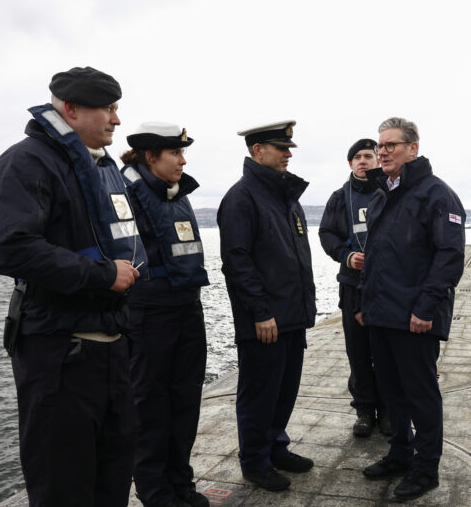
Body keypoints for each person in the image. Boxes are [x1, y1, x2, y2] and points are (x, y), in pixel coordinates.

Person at [0, 66, 147, 506]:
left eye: (118, 109)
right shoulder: (26, 161)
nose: (116, 120)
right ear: (71, 109)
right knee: (64, 486)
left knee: (114, 476)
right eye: (108, 109)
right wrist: (104, 275)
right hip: (61, 354)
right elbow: (12, 249)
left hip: (111, 348)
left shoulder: (101, 168)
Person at [358, 117, 466, 500]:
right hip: (383, 314)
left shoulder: (437, 194)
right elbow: (379, 257)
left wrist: (425, 309)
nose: (383, 151)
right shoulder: (382, 193)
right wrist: (365, 305)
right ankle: (401, 452)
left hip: (414, 317)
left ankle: (426, 468)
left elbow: (450, 257)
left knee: (421, 394)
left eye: (391, 145)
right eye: (380, 145)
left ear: (413, 149)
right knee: (391, 391)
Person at [218, 120, 316, 492]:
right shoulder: (242, 197)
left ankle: (276, 446)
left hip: (292, 315)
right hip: (266, 320)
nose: (288, 154)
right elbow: (237, 260)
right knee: (259, 392)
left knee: (284, 389)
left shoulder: (285, 197)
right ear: (258, 151)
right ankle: (255, 461)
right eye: (281, 148)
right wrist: (260, 311)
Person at [120, 123, 210, 507]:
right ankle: (156, 493)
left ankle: (180, 482)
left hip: (186, 307)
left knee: (185, 404)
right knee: (150, 407)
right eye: (176, 153)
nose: (183, 161)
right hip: (148, 314)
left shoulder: (176, 193)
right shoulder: (127, 192)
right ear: (151, 156)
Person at [319, 138, 390, 438]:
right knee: (358, 352)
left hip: (386, 287)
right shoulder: (339, 197)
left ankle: (388, 411)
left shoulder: (389, 192)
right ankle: (364, 410)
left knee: (386, 352)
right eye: (357, 157)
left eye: (368, 156)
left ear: (377, 161)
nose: (363, 161)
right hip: (352, 285)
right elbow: (326, 234)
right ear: (350, 163)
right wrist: (346, 256)